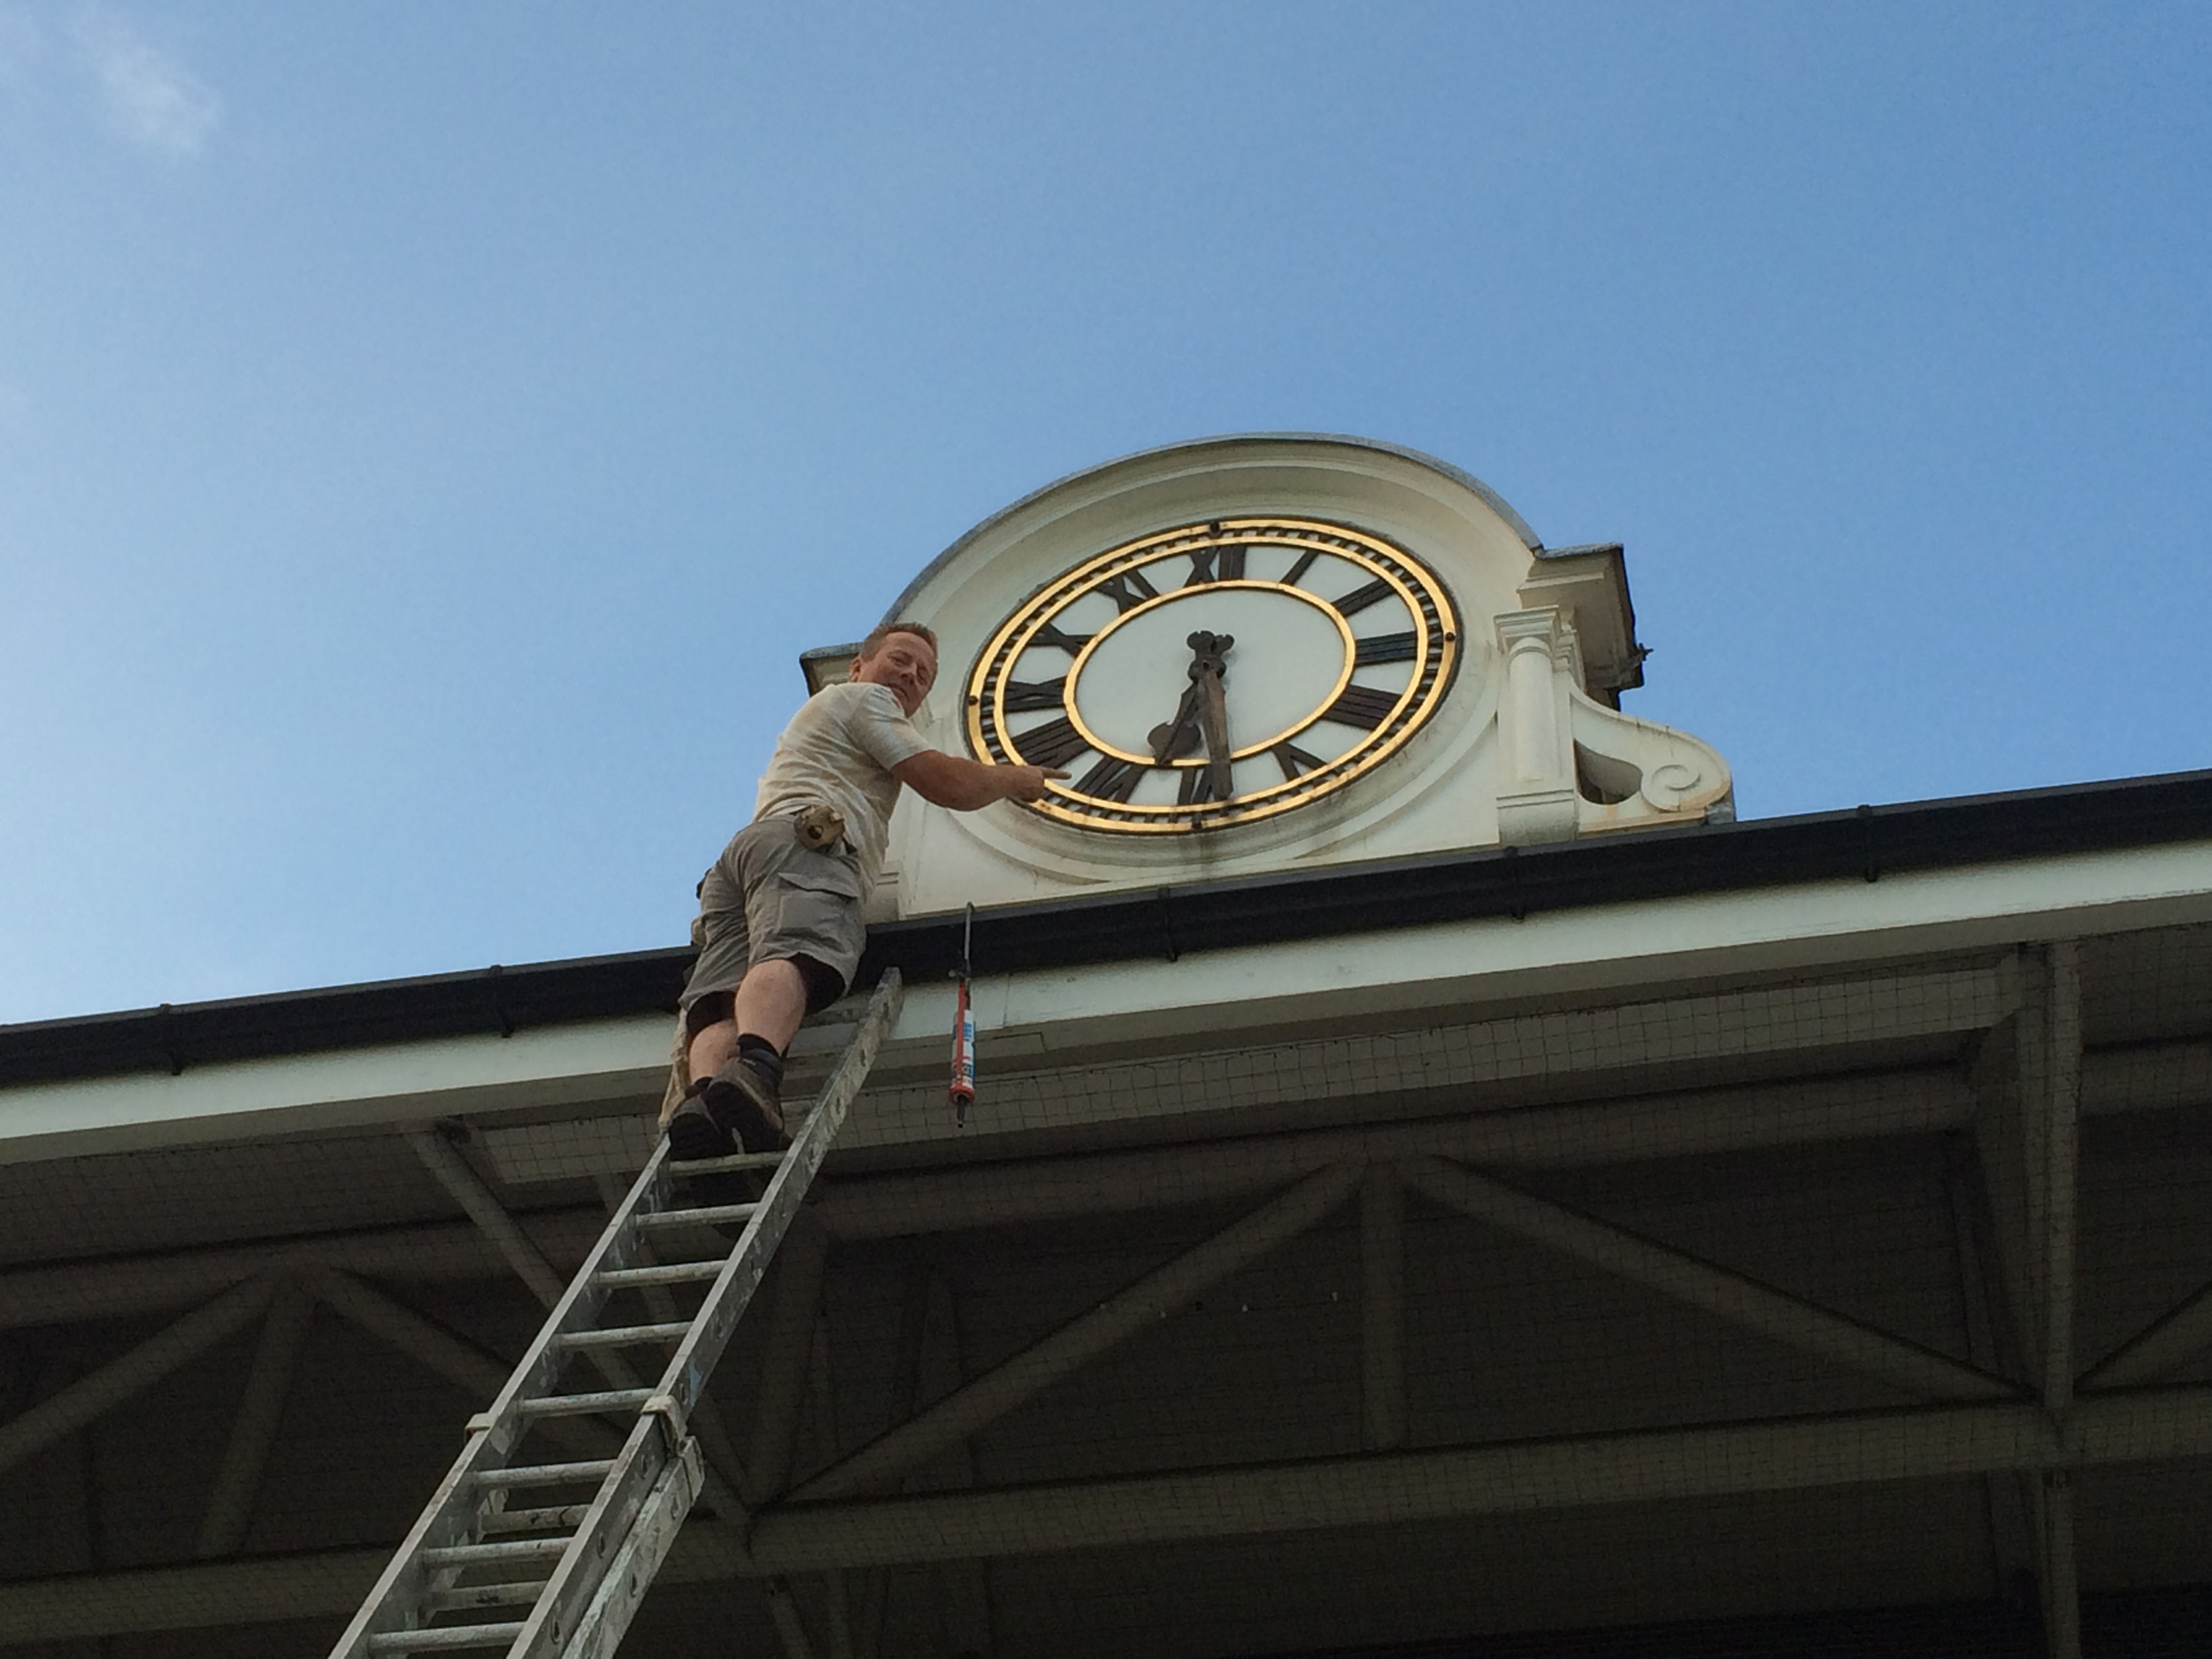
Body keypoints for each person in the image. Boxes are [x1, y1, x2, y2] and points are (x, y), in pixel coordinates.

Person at [664, 621, 1064, 1164]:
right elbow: (945, 782)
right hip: (804, 843)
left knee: (722, 995)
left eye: (923, 675)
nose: (909, 676)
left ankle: (705, 1102)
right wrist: (1017, 780)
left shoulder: (825, 719)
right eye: (900, 660)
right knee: (793, 951)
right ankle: (755, 1069)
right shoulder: (864, 701)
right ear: (859, 666)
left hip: (743, 859)